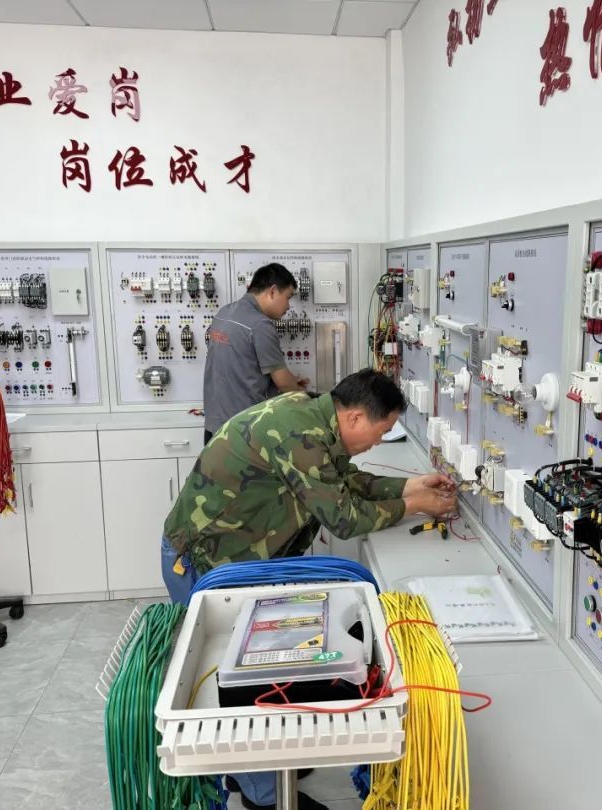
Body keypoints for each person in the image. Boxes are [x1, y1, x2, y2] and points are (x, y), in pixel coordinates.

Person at [161, 369, 456, 810]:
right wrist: (414, 505)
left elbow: (345, 483)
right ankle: (265, 798)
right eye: (381, 432)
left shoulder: (315, 419)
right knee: (243, 687)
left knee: (261, 671)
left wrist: (410, 486)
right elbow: (343, 518)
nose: (378, 442)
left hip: (240, 561)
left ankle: (255, 771)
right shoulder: (298, 434)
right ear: (355, 418)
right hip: (204, 565)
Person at [203, 262, 310, 444]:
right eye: (288, 297)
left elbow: (241, 368)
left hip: (214, 429)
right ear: (273, 291)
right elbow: (284, 384)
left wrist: (288, 381)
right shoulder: (260, 325)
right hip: (243, 433)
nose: (288, 306)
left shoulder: (223, 313)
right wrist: (309, 403)